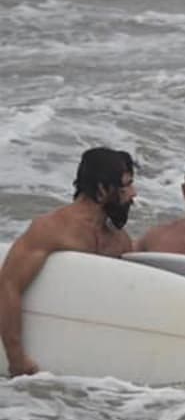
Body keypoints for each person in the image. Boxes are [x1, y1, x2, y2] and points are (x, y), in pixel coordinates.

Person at [1, 148, 137, 377]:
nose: (133, 194)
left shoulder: (120, 242)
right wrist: (16, 358)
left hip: (89, 373)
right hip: (30, 370)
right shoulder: (52, 230)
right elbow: (8, 286)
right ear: (102, 189)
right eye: (126, 186)